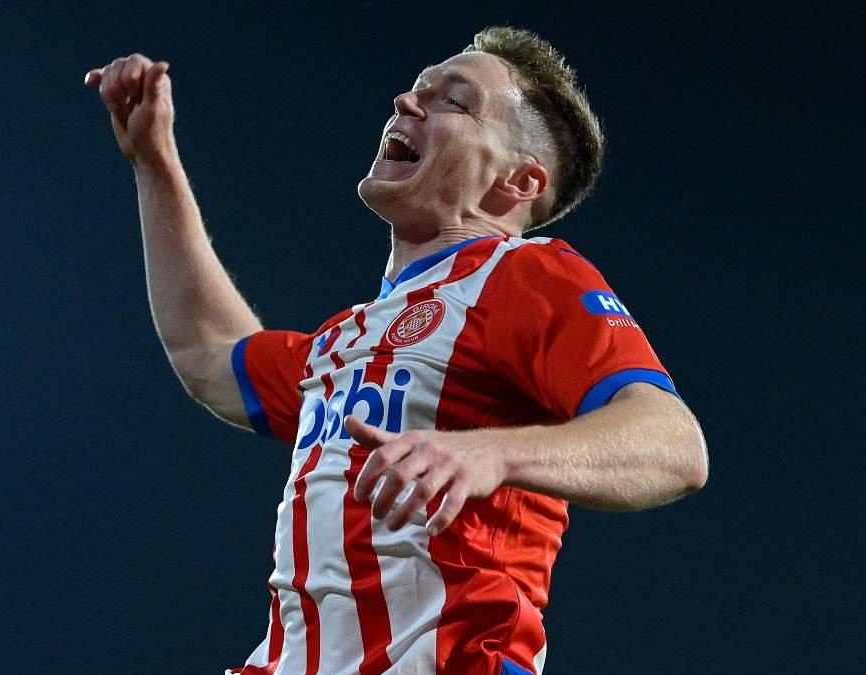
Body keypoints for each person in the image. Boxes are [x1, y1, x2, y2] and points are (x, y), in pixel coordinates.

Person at [84, 25, 708, 675]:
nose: (407, 102)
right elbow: (211, 352)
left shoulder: (526, 276)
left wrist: (489, 452)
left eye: (453, 101)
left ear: (518, 181)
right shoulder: (348, 337)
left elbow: (674, 445)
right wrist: (154, 161)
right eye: (416, 90)